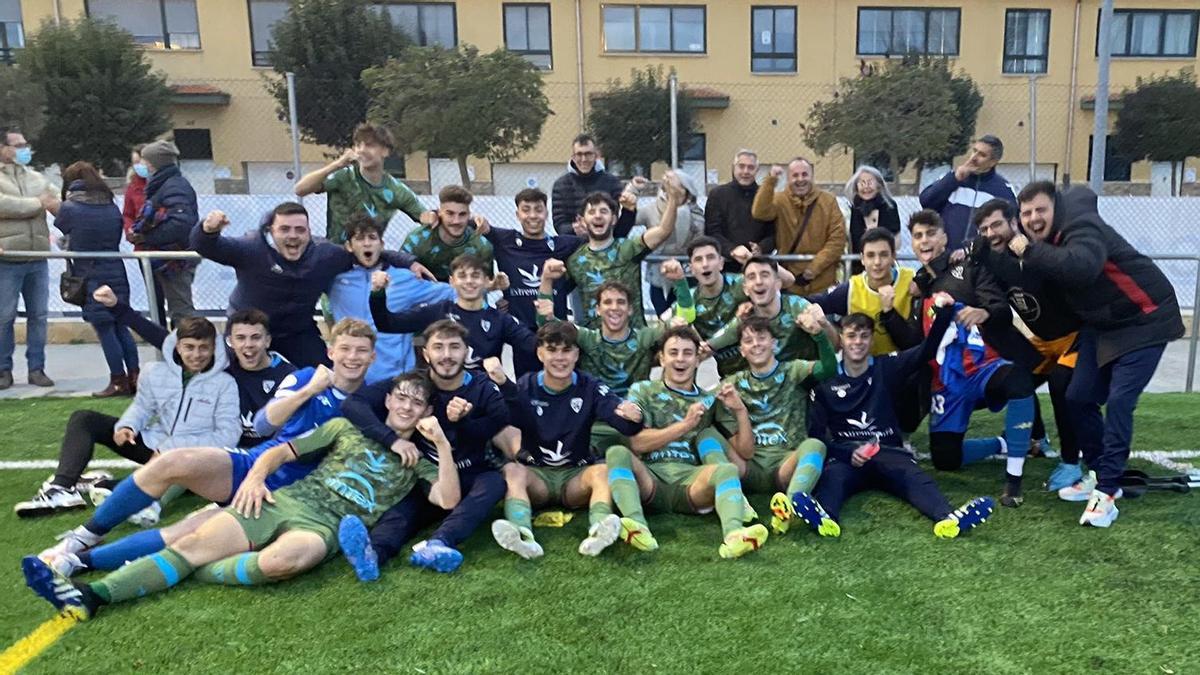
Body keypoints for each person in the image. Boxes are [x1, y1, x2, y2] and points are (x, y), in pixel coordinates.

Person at [23, 373, 460, 621]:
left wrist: (440, 445)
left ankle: (196, 570)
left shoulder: (418, 460)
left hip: (324, 527)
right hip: (287, 501)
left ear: (426, 413)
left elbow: (445, 499)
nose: (407, 406)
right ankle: (93, 595)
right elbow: (281, 451)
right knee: (191, 541)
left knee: (282, 562)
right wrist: (254, 479)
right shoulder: (345, 428)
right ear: (389, 398)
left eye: (417, 404)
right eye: (402, 396)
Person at [33, 319, 376, 578]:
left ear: (373, 357)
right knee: (173, 462)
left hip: (287, 494)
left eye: (361, 351)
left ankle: (77, 561)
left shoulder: (374, 401)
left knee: (186, 535)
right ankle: (84, 537)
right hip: (252, 465)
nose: (352, 357)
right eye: (345, 348)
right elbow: (262, 425)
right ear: (331, 351)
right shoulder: (304, 377)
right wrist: (309, 391)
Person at [1009, 181, 1184, 527]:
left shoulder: (1081, 227)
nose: (1033, 218)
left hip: (1146, 318)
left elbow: (1082, 265)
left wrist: (1026, 250)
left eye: (1040, 209)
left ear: (1056, 208)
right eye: (1026, 213)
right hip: (1103, 325)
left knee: (1119, 401)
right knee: (1077, 396)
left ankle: (1107, 491)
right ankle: (1097, 470)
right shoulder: (1044, 241)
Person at [791, 307, 994, 539]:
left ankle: (947, 518)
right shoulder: (826, 380)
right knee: (833, 480)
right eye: (851, 336)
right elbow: (817, 435)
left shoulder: (886, 366)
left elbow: (926, 351)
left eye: (864, 336)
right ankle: (825, 518)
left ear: (871, 341)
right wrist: (848, 453)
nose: (857, 342)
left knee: (914, 478)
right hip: (847, 456)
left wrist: (945, 312)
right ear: (841, 339)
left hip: (888, 450)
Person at [15, 317, 240, 518]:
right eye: (189, 347)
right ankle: (62, 488)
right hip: (154, 446)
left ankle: (111, 487)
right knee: (84, 418)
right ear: (177, 347)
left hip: (193, 457)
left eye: (204, 348)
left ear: (213, 350)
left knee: (112, 487)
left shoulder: (226, 384)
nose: (197, 354)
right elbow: (142, 406)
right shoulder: (156, 372)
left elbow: (228, 435)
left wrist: (172, 447)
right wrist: (128, 426)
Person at [339, 320, 508, 577]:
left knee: (495, 482)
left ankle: (439, 543)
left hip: (471, 473)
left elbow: (499, 422)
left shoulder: (481, 387)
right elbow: (354, 404)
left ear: (466, 351)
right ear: (426, 353)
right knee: (405, 508)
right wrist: (393, 440)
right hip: (427, 473)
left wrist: (463, 422)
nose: (447, 355)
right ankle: (372, 555)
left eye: (454, 347)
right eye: (438, 347)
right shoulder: (414, 384)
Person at [189, 202, 429, 367]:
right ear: (271, 231)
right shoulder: (251, 248)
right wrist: (207, 230)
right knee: (219, 373)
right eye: (284, 229)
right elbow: (207, 246)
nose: (292, 236)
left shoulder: (325, 255)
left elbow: (366, 252)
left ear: (308, 232)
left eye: (299, 230)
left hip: (297, 332)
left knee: (326, 376)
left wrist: (409, 262)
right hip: (247, 331)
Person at [481, 322, 645, 559]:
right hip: (537, 475)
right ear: (540, 353)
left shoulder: (589, 386)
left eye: (566, 351)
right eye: (552, 350)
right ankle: (522, 535)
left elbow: (623, 422)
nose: (560, 358)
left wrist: (634, 415)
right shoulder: (527, 384)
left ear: (576, 354)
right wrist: (503, 383)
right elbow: (507, 415)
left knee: (601, 472)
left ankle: (598, 530)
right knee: (512, 470)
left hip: (575, 477)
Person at [604, 325, 769, 558]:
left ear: (697, 359)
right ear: (661, 358)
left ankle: (734, 535)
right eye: (673, 352)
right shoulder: (643, 390)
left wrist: (740, 410)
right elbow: (638, 443)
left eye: (687, 353)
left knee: (726, 470)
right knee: (616, 453)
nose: (680, 359)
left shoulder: (708, 399)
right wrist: (685, 425)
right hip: (650, 479)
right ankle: (637, 526)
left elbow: (746, 451)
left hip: (690, 483)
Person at [908, 210, 1036, 507]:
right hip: (945, 385)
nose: (924, 240)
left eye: (930, 233)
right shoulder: (918, 285)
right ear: (912, 244)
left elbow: (1002, 311)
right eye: (918, 236)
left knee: (1019, 381)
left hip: (982, 369)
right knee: (945, 460)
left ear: (944, 238)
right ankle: (1004, 442)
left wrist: (985, 312)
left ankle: (1013, 481)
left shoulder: (968, 268)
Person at [93, 287, 296, 450]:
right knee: (87, 421)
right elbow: (162, 338)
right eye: (241, 338)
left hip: (263, 455)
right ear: (230, 341)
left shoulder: (289, 375)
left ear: (268, 341)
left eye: (256, 338)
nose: (248, 345)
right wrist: (117, 307)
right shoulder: (222, 362)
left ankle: (122, 489)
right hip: (217, 452)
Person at [968, 199, 1081, 489]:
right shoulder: (992, 259)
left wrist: (984, 254)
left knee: (1060, 384)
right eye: (983, 229)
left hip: (1076, 337)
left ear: (1013, 222)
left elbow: (1024, 277)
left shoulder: (1030, 250)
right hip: (1045, 341)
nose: (990, 233)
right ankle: (1037, 438)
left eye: (996, 224)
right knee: (1017, 380)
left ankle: (1072, 461)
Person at [713, 312, 837, 535]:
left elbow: (829, 368)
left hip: (785, 465)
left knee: (816, 446)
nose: (756, 345)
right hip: (746, 468)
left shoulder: (793, 370)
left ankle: (791, 504)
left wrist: (819, 335)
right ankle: (736, 499)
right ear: (741, 349)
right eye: (748, 341)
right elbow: (703, 405)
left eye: (761, 338)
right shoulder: (732, 383)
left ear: (774, 344)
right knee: (708, 436)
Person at [807, 228, 926, 435]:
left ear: (893, 257)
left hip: (902, 369)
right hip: (864, 372)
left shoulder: (912, 283)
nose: (877, 262)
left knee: (908, 422)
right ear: (862, 259)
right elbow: (816, 301)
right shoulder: (851, 289)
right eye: (870, 255)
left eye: (883, 255)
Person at [327, 213, 455, 381]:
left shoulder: (405, 277)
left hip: (396, 376)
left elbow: (452, 293)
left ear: (381, 244)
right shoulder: (334, 279)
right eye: (359, 239)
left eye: (372, 238)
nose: (367, 243)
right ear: (349, 246)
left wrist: (488, 287)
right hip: (350, 372)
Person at [476, 188, 585, 377]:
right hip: (521, 334)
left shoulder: (565, 244)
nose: (533, 215)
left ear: (547, 213)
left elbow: (600, 241)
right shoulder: (505, 240)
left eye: (538, 209)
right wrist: (477, 221)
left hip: (556, 332)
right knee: (526, 390)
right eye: (526, 210)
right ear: (517, 214)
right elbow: (466, 224)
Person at [54, 161, 138, 397]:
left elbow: (62, 226)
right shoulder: (111, 205)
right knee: (121, 325)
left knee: (104, 328)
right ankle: (135, 377)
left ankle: (118, 380)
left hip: (89, 273)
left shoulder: (71, 206)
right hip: (116, 269)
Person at [370, 253, 535, 373]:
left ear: (486, 281)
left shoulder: (501, 319)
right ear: (452, 282)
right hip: (441, 395)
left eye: (475, 276)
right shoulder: (437, 311)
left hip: (485, 396)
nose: (469, 281)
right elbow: (387, 324)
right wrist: (377, 293)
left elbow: (534, 345)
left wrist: (547, 319)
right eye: (462, 276)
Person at [561, 189, 680, 329]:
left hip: (636, 341)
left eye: (604, 211)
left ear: (614, 219)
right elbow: (557, 293)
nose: (598, 216)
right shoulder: (574, 260)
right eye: (592, 212)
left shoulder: (628, 248)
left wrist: (673, 198)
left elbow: (663, 231)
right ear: (581, 221)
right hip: (595, 344)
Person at [293, 122, 428, 244]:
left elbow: (424, 216)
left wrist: (434, 217)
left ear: (385, 151)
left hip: (369, 255)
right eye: (358, 145)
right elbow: (300, 189)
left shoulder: (396, 190)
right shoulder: (343, 176)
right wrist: (337, 164)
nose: (362, 150)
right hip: (335, 254)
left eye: (369, 145)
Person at [0, 124, 58, 390]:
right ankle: (3, 370)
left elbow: (56, 200)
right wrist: (37, 204)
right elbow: (4, 204)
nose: (25, 149)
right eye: (19, 145)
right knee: (4, 317)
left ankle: (37, 368)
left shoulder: (36, 176)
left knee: (39, 316)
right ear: (3, 148)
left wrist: (46, 203)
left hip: (37, 258)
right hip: (7, 260)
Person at [704, 256, 831, 365]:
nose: (758, 281)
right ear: (746, 289)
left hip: (806, 384)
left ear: (778, 284)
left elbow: (834, 347)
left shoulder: (798, 307)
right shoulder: (745, 317)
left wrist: (823, 325)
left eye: (764, 275)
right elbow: (708, 346)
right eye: (751, 277)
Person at [751, 157, 846, 294]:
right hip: (789, 281)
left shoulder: (828, 201)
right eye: (795, 175)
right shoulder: (780, 200)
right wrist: (770, 181)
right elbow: (760, 212)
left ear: (812, 176)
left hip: (821, 281)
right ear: (788, 178)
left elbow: (837, 239)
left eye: (804, 174)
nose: (800, 179)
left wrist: (814, 268)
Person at [130, 139, 198, 327]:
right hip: (170, 258)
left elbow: (180, 224)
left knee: (181, 311)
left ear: (152, 164)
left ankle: (190, 350)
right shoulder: (166, 185)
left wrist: (147, 237)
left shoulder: (173, 186)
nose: (140, 166)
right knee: (178, 309)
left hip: (175, 258)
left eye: (143, 161)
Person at [918, 134, 1017, 249]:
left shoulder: (1002, 189)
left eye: (982, 155)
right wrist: (954, 179)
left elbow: (1011, 225)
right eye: (974, 151)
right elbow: (926, 201)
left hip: (982, 258)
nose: (974, 157)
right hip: (947, 255)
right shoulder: (952, 178)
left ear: (993, 162)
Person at [636, 170, 705, 316]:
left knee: (685, 314)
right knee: (664, 316)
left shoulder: (696, 213)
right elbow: (628, 218)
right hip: (658, 273)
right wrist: (633, 191)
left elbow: (699, 241)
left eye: (675, 183)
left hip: (687, 273)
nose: (670, 186)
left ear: (686, 189)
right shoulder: (652, 209)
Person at [400, 185, 494, 282]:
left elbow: (484, 286)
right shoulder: (418, 239)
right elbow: (399, 274)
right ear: (439, 212)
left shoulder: (481, 246)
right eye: (450, 213)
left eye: (462, 214)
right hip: (424, 292)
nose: (456, 221)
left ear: (469, 215)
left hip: (464, 294)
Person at [704, 149, 774, 273]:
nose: (746, 171)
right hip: (725, 266)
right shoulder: (718, 195)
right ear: (733, 168)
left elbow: (773, 233)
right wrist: (732, 250)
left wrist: (762, 247)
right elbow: (712, 231)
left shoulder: (766, 196)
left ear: (757, 170)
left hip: (758, 265)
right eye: (741, 166)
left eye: (751, 167)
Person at [551, 134, 625, 233]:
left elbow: (617, 217)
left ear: (596, 155)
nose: (584, 159)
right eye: (579, 154)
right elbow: (559, 224)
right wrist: (575, 228)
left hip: (606, 239)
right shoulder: (560, 185)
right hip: (574, 242)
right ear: (573, 157)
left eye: (588, 154)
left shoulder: (612, 182)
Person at [841, 166, 900, 275]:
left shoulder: (889, 206)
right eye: (862, 182)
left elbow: (896, 238)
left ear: (878, 185)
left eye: (870, 182)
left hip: (883, 265)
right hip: (857, 265)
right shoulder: (851, 209)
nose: (866, 186)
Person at [120, 145, 147, 242]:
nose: (138, 166)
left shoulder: (164, 185)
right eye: (135, 163)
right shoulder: (133, 186)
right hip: (140, 243)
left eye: (140, 162)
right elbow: (127, 214)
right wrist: (129, 230)